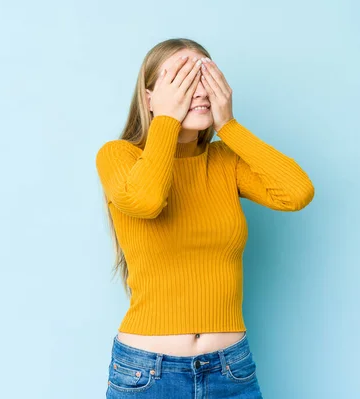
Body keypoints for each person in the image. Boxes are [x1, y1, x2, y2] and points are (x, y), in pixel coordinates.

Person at [95, 38, 315, 398]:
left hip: (231, 370)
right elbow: (148, 200)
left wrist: (229, 125)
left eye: (205, 77)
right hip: (145, 373)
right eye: (180, 79)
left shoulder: (225, 161)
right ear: (149, 98)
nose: (196, 91)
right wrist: (167, 119)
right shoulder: (119, 157)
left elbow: (297, 192)